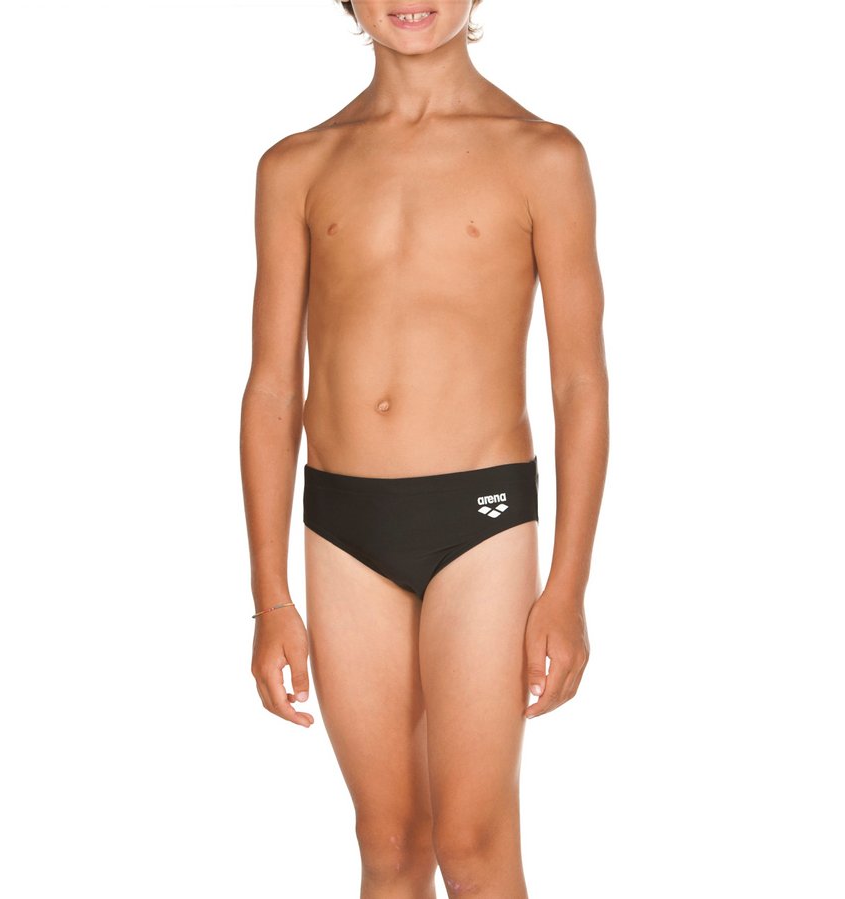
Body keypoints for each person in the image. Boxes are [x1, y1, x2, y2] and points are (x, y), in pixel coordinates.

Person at [239, 2, 609, 895]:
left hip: (480, 518)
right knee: (389, 842)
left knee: (473, 844)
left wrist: (566, 588)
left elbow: (579, 385)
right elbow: (272, 388)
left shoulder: (540, 155)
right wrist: (269, 597)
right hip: (343, 525)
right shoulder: (297, 164)